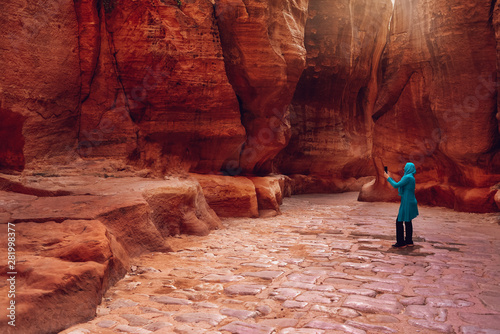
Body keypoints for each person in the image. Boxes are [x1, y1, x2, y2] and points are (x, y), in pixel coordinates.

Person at [383, 162, 419, 248]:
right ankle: (409, 241)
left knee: (399, 221)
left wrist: (388, 177)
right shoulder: (411, 177)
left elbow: (396, 185)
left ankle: (401, 243)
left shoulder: (407, 177)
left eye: (405, 167)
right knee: (407, 221)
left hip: (407, 201)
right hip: (410, 200)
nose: (404, 169)